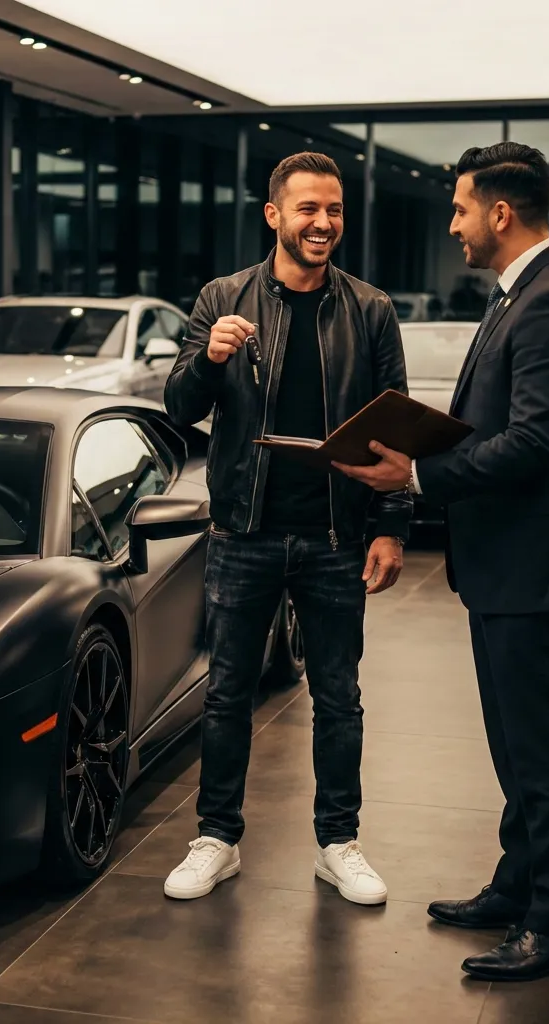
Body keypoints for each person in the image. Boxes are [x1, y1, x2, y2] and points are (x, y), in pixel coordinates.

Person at [337, 142, 549, 981]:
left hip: (535, 569)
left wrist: (418, 473)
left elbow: (533, 442)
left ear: (501, 212)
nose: (452, 223)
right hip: (504, 566)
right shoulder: (519, 294)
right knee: (514, 745)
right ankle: (518, 883)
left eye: (460, 209)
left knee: (545, 754)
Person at [161, 151, 412, 904]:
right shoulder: (222, 297)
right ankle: (217, 839)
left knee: (340, 697)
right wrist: (208, 358)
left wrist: (391, 526)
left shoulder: (370, 310)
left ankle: (338, 844)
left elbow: (396, 429)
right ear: (274, 215)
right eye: (308, 209)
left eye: (334, 210)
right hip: (245, 532)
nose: (323, 224)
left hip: (337, 537)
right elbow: (178, 406)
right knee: (228, 694)